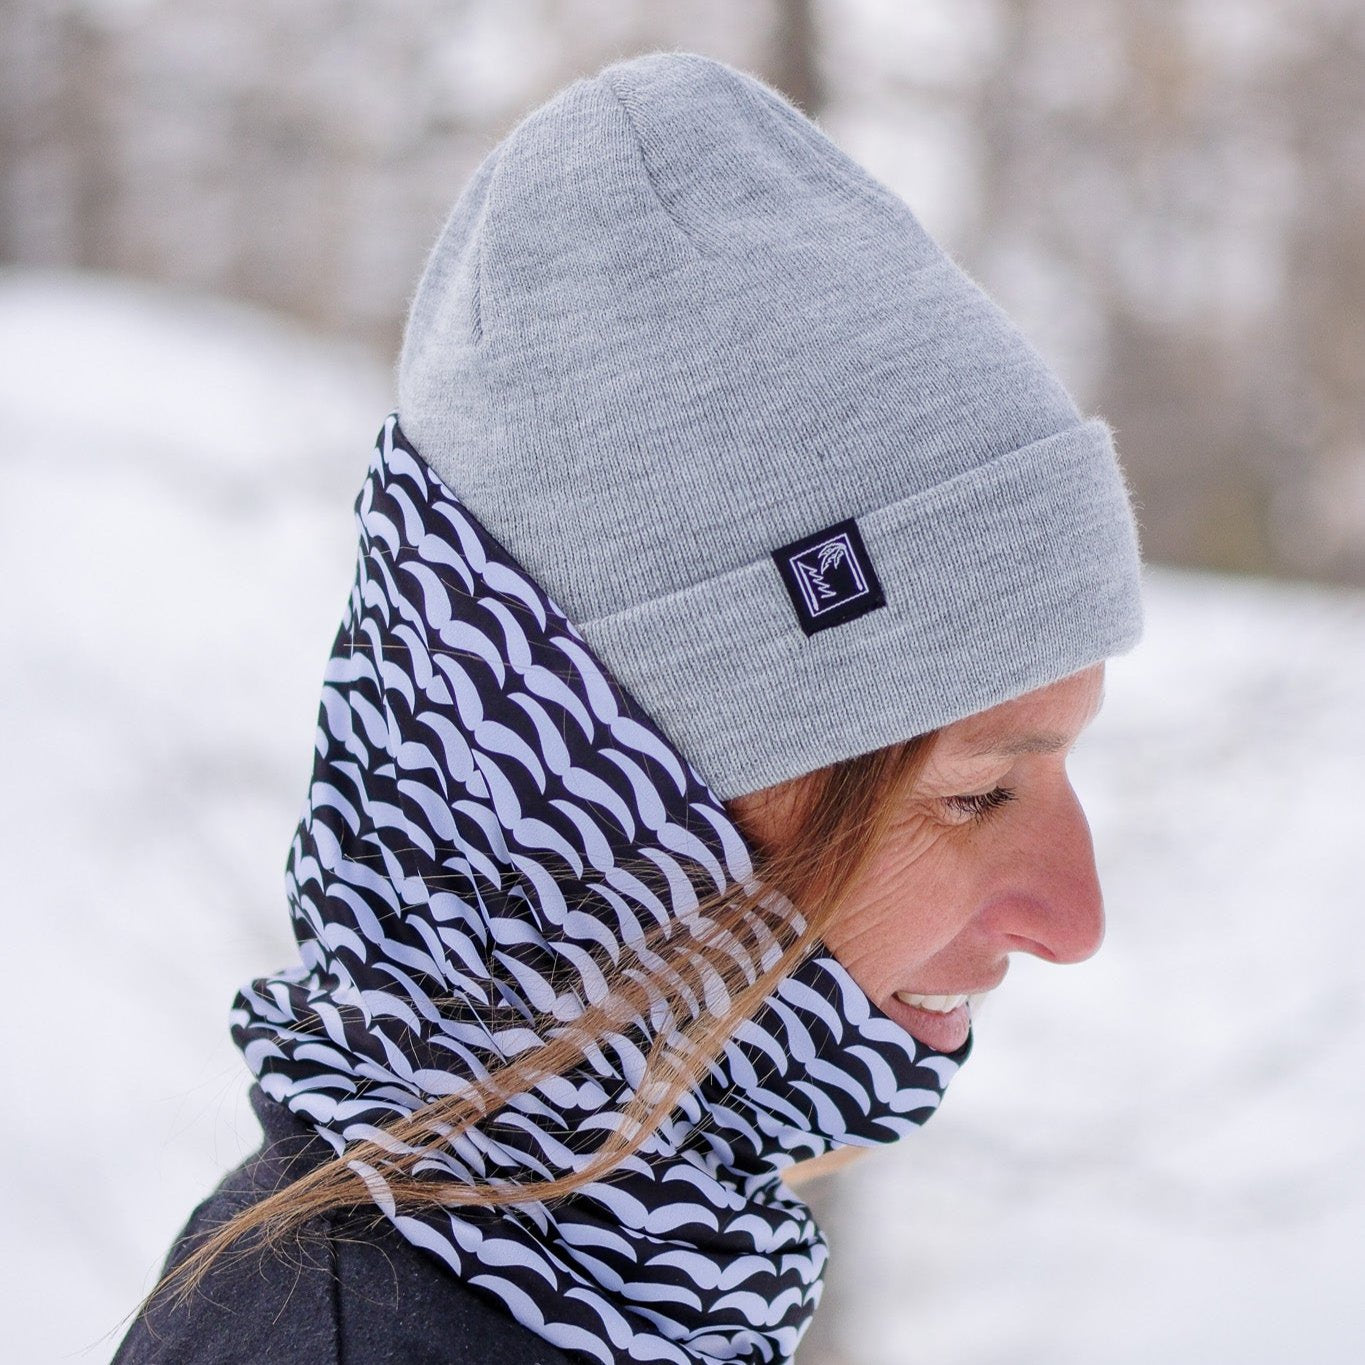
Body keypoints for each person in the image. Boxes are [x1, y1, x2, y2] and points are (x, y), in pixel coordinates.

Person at [112, 47, 1143, 1365]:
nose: (1074, 917)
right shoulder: (346, 1339)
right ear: (601, 813)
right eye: (975, 792)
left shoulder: (644, 1285)